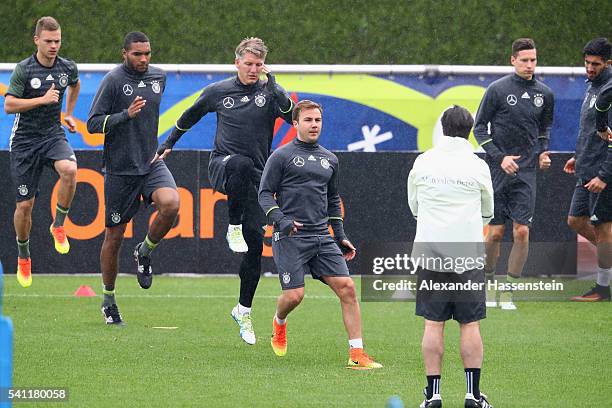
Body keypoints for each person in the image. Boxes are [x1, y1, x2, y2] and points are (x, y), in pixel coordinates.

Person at [153, 37, 293, 344]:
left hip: (258, 177)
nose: (254, 69)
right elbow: (189, 115)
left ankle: (243, 309)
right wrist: (167, 144)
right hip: (223, 166)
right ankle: (232, 227)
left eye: (259, 65)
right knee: (240, 164)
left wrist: (274, 84)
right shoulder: (219, 91)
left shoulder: (268, 92)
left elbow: (290, 114)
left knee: (256, 245)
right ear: (237, 63)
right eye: (249, 64)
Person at [258, 99, 382, 369]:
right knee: (294, 296)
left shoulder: (330, 159)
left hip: (321, 237)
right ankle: (279, 322)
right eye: (308, 120)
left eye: (317, 120)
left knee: (348, 288)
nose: (314, 125)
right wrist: (281, 220)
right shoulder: (281, 156)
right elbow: (265, 194)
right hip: (290, 236)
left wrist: (339, 235)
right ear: (295, 124)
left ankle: (357, 354)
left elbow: (333, 199)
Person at [87, 32, 179, 325]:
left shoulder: (159, 78)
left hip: (150, 163)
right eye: (137, 54)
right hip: (119, 170)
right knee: (114, 236)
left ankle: (144, 251)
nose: (143, 59)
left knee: (172, 204)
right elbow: (92, 124)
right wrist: (124, 115)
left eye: (147, 53)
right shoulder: (113, 81)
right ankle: (108, 300)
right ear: (123, 53)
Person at [408, 105, 494, 408]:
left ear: (443, 128)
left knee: (433, 324)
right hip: (467, 253)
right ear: (469, 130)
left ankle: (433, 396)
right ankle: (472, 395)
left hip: (431, 252)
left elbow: (414, 206)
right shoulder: (478, 165)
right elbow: (488, 210)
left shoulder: (423, 161)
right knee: (470, 325)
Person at [473, 38, 555, 310]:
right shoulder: (497, 90)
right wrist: (500, 157)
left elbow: (543, 132)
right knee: (495, 233)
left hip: (527, 173)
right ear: (513, 60)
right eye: (524, 60)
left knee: (521, 232)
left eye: (533, 60)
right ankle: (486, 283)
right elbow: (479, 129)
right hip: (497, 172)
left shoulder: (546, 93)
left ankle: (508, 290)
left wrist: (543, 153)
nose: (530, 65)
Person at [4, 16, 80, 288]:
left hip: (51, 134)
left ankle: (58, 224)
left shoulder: (67, 67)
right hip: (24, 142)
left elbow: (75, 83)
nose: (53, 46)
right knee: (25, 206)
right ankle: (24, 255)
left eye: (57, 41)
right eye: (48, 41)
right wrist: (43, 100)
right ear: (37, 40)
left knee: (70, 169)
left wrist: (69, 114)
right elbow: (9, 106)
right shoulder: (24, 69)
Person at [566, 38, 612, 301]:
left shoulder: (609, 90)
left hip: (603, 173)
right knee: (575, 220)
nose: (589, 68)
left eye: (595, 64)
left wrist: (604, 176)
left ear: (608, 63)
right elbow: (591, 130)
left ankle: (602, 289)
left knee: (604, 228)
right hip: (585, 166)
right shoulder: (592, 85)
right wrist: (577, 156)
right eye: (587, 63)